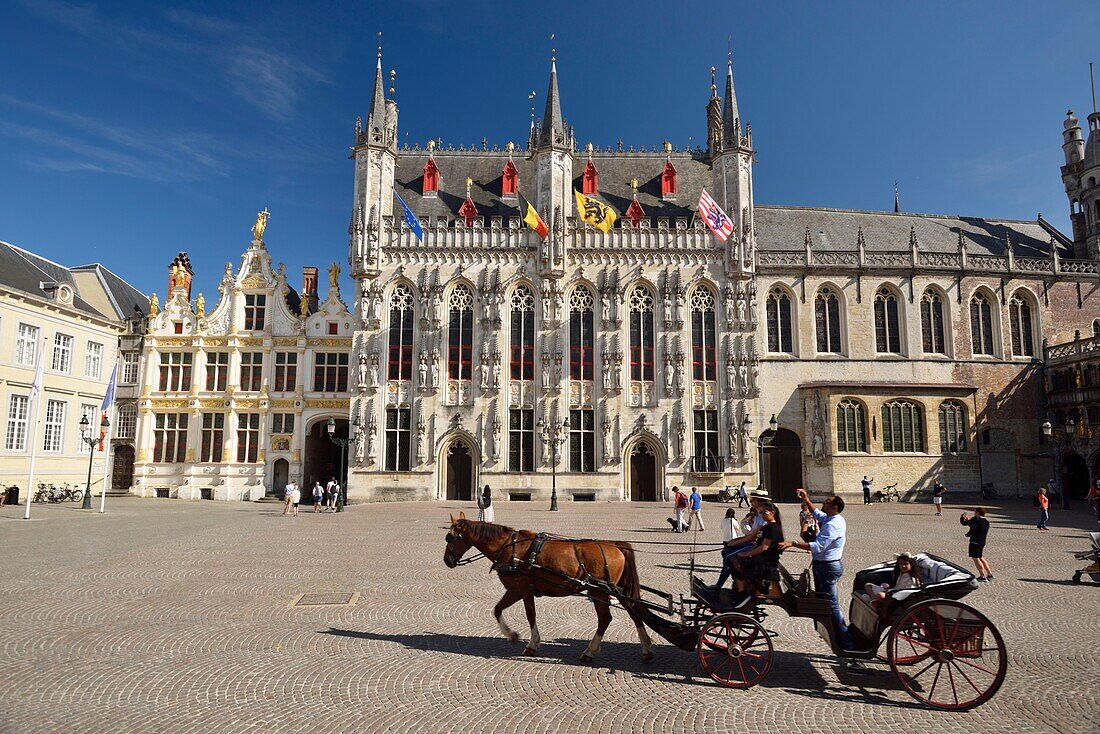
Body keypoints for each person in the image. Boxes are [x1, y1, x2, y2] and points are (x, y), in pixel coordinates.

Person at [780, 489, 855, 652]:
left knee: (831, 603)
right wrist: (806, 499)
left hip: (827, 568)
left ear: (835, 507)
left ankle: (845, 641)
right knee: (824, 602)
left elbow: (817, 546)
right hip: (824, 566)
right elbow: (817, 513)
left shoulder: (833, 525)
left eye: (827, 502)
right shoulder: (833, 518)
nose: (824, 503)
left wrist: (793, 543)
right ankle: (834, 632)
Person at [725, 501, 784, 609]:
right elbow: (753, 538)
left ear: (773, 512)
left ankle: (741, 592)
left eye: (764, 512)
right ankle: (739, 589)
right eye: (761, 513)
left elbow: (764, 547)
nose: (762, 515)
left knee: (734, 561)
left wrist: (747, 554)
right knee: (732, 559)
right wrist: (737, 541)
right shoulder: (767, 526)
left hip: (766, 561)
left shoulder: (773, 528)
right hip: (762, 558)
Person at [713, 509, 757, 590]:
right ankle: (732, 578)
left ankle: (720, 585)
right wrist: (735, 541)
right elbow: (749, 536)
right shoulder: (754, 519)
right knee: (725, 552)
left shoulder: (762, 520)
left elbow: (753, 537)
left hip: (754, 545)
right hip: (750, 542)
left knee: (729, 559)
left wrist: (738, 542)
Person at [960, 508, 994, 581]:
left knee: (975, 558)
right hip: (982, 542)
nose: (974, 513)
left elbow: (965, 523)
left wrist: (963, 518)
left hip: (975, 541)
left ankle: (982, 576)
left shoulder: (976, 520)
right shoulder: (986, 522)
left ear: (978, 513)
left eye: (975, 512)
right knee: (980, 557)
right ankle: (989, 574)